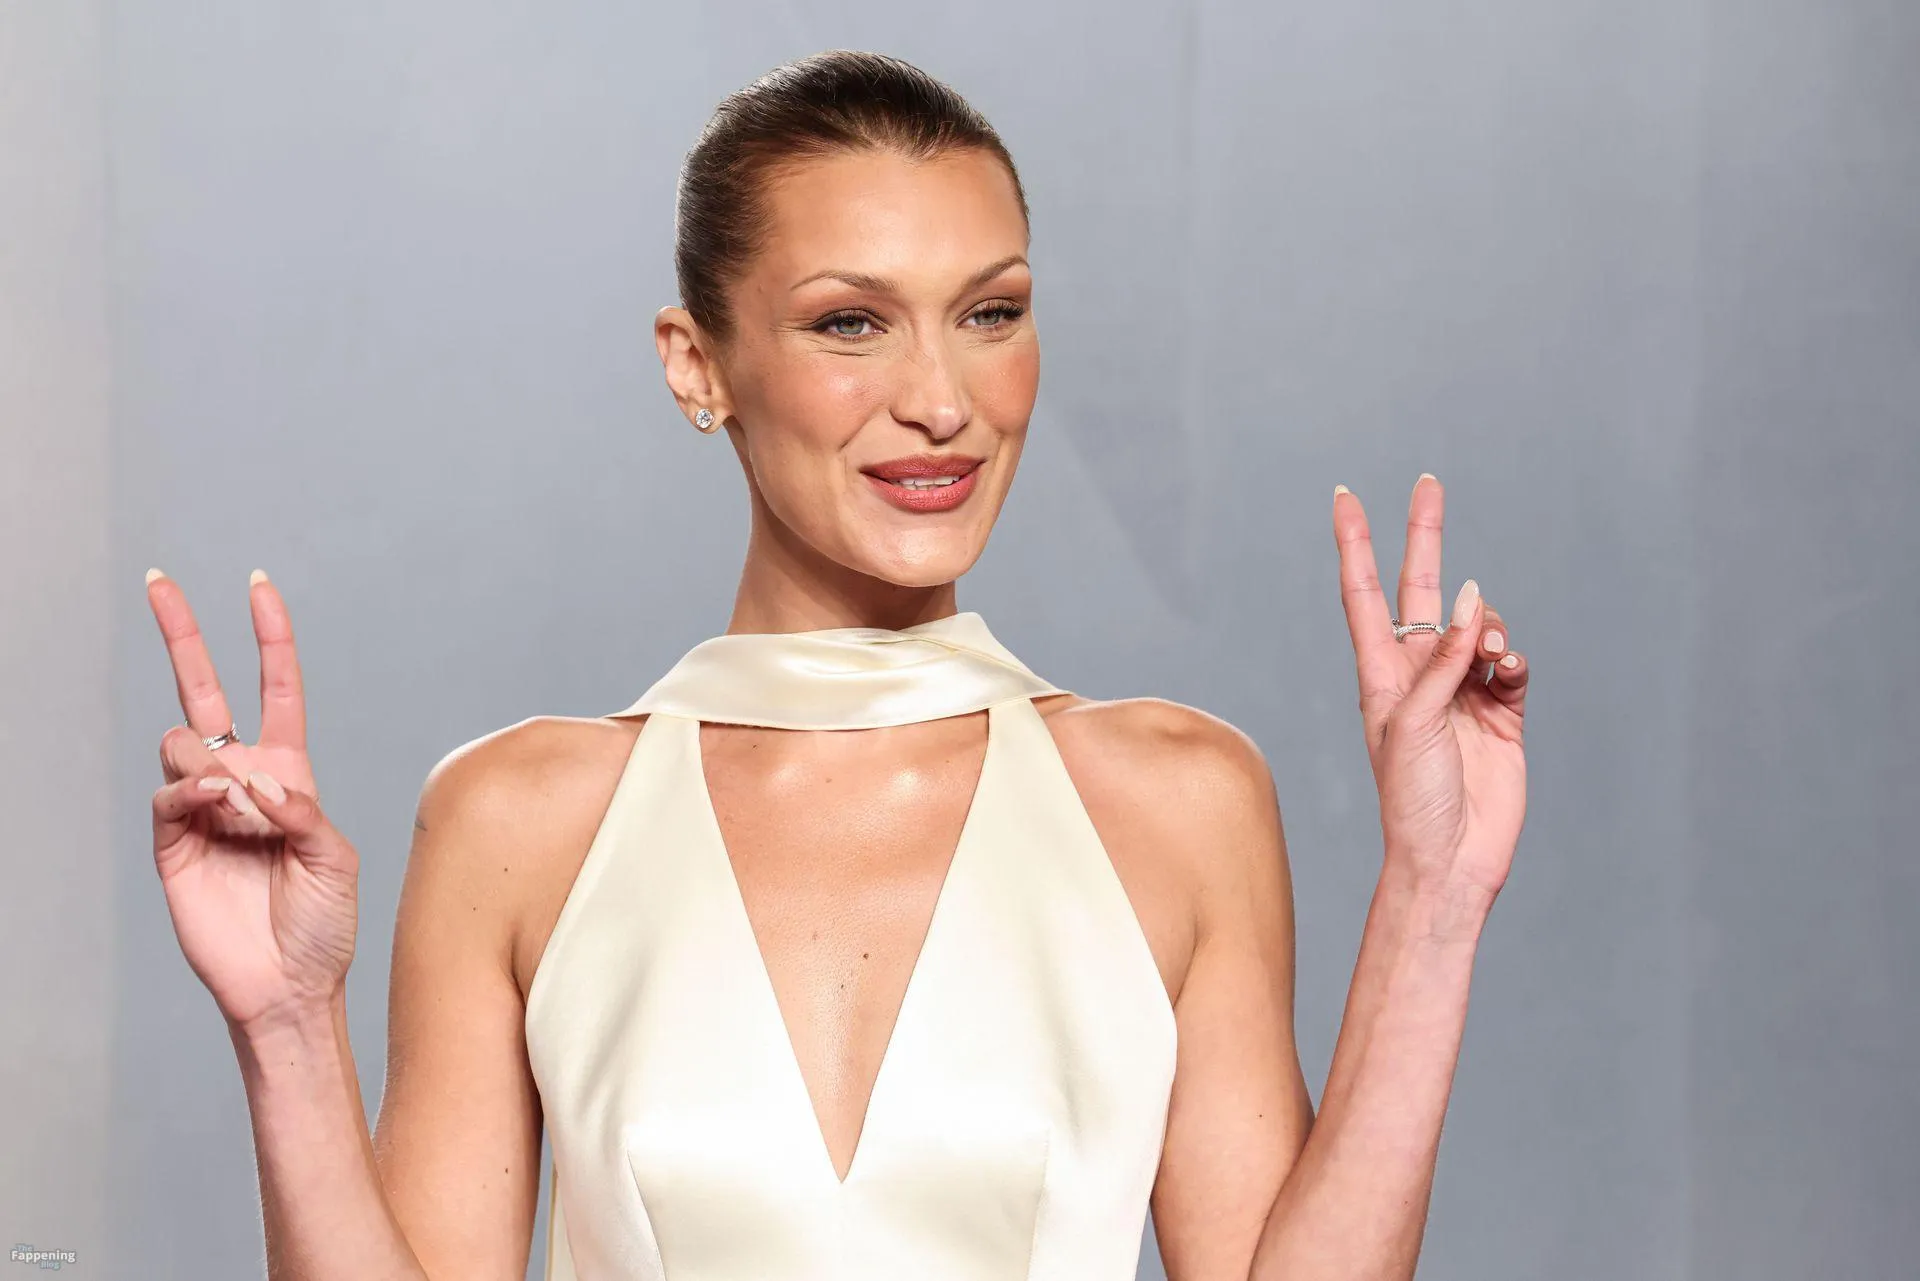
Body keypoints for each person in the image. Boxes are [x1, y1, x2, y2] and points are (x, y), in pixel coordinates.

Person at [143, 50, 1529, 1281]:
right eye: (850, 323)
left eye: (990, 313)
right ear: (698, 365)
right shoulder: (516, 823)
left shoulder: (1179, 802)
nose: (941, 401)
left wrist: (1436, 897)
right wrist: (287, 1029)